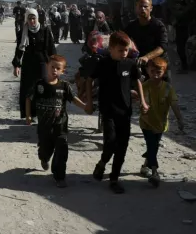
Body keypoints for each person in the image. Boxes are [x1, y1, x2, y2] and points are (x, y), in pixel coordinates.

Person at [86, 31, 148, 194]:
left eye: (126, 50)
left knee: (123, 146)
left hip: (125, 111)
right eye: (120, 50)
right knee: (110, 142)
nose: (124, 53)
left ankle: (114, 178)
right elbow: (89, 79)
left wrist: (142, 101)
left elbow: (137, 82)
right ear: (111, 49)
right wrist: (89, 102)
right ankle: (102, 163)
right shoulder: (103, 63)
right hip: (108, 111)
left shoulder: (130, 64)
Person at [25, 55, 90, 188]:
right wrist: (28, 115)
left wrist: (84, 106)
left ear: (62, 71)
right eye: (52, 67)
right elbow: (28, 99)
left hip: (60, 125)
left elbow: (73, 98)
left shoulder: (64, 86)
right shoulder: (39, 85)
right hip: (44, 126)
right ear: (47, 67)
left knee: (62, 149)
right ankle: (43, 157)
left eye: (58, 68)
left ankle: (59, 176)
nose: (54, 70)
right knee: (45, 149)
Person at [138, 57, 184, 186]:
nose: (155, 74)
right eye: (152, 71)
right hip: (146, 122)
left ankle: (144, 166)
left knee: (153, 146)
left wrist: (180, 119)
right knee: (152, 145)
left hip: (161, 124)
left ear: (164, 72)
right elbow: (141, 103)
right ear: (147, 71)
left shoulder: (168, 88)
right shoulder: (144, 86)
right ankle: (154, 172)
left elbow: (174, 105)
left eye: (159, 72)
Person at [13, 10, 57, 120]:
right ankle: (29, 114)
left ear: (37, 18)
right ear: (26, 19)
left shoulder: (45, 30)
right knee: (28, 90)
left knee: (42, 88)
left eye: (34, 18)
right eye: (29, 19)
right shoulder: (23, 31)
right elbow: (19, 50)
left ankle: (42, 113)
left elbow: (51, 49)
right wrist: (17, 65)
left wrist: (54, 65)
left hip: (42, 63)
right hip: (28, 63)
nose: (32, 21)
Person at [124, 0, 169, 81]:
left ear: (151, 8)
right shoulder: (131, 26)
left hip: (158, 67)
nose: (143, 9)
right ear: (136, 8)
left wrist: (147, 57)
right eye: (140, 6)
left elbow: (163, 47)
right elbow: (122, 39)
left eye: (145, 6)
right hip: (141, 66)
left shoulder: (158, 26)